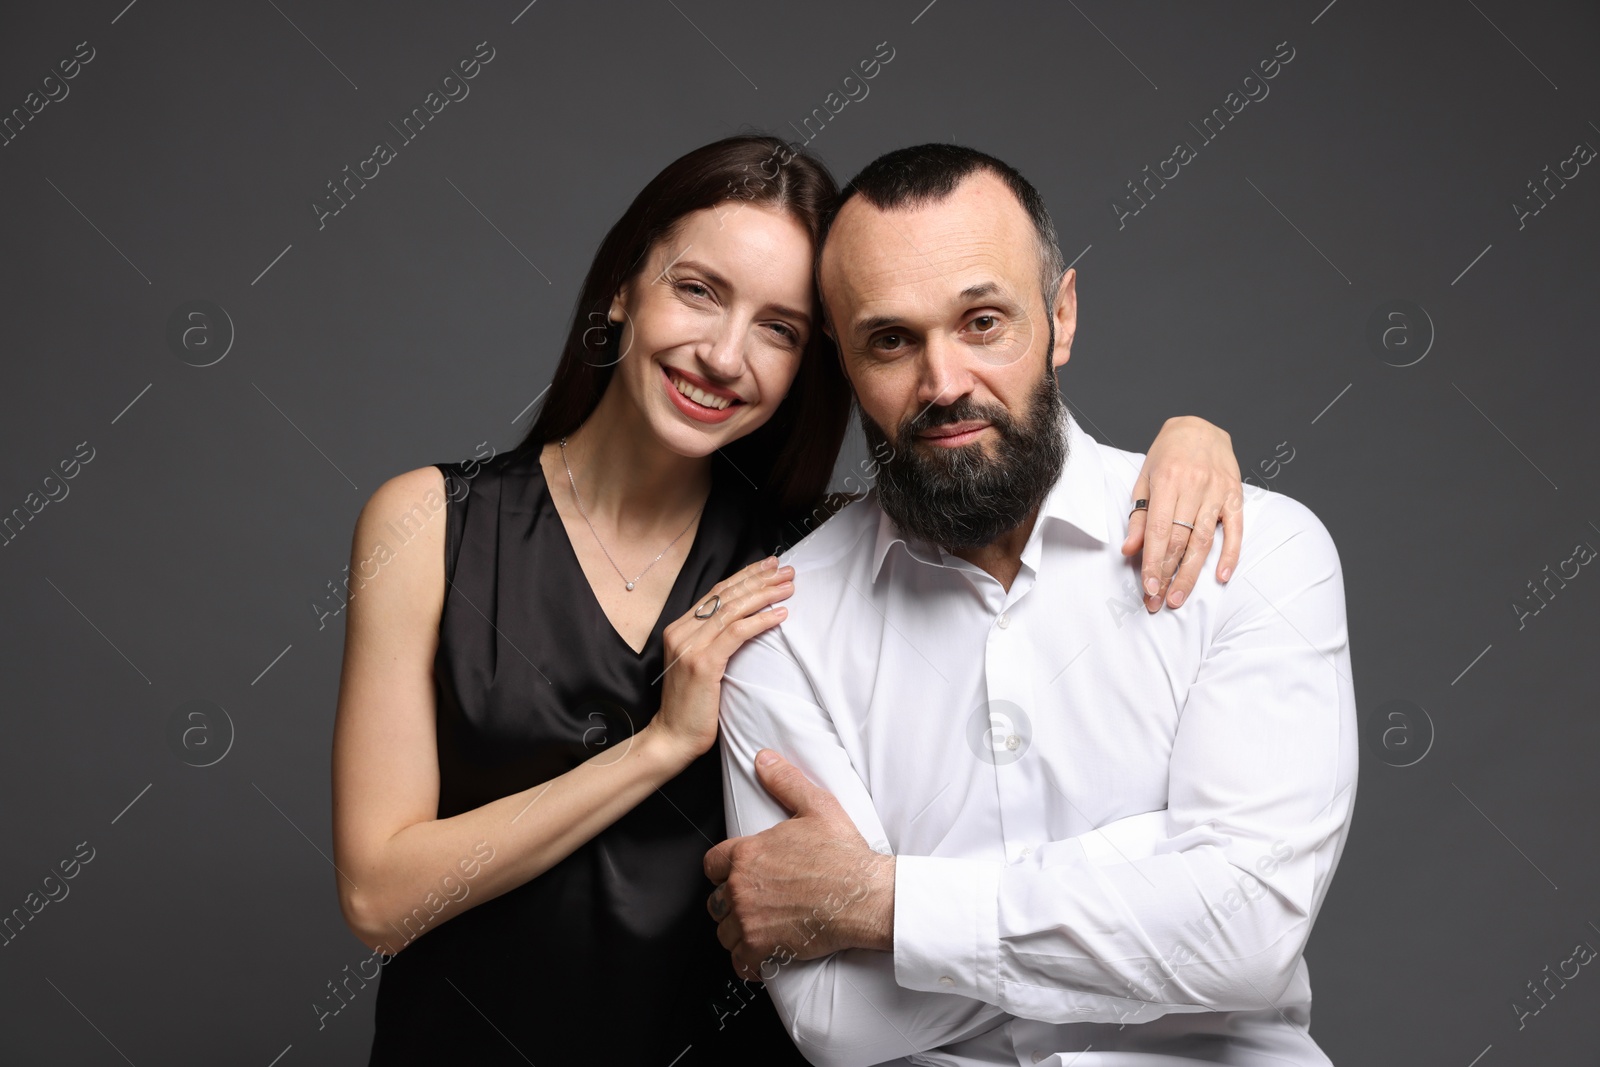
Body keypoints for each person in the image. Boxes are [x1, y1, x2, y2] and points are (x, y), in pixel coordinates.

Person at [330, 135, 1249, 1065]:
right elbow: (378, 896)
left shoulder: (821, 551)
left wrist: (1189, 440)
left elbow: (1014, 486)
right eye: (698, 290)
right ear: (622, 289)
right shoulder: (427, 524)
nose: (724, 355)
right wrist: (658, 747)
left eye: (778, 328)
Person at [706, 143, 1358, 1067]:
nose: (944, 384)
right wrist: (1160, 871)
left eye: (982, 322)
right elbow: (836, 1020)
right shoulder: (782, 629)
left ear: (1060, 317)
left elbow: (1247, 935)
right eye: (891, 340)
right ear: (843, 360)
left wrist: (879, 902)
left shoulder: (1258, 553)